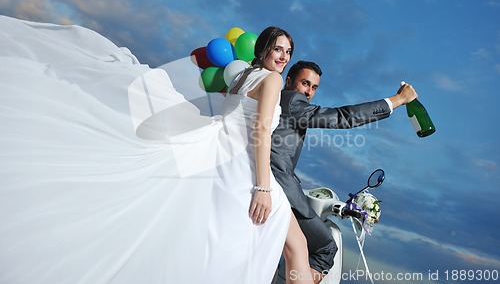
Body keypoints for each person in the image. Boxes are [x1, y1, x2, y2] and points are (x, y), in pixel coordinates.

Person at [0, 16, 311, 284]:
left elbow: (230, 119)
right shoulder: (271, 80)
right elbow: (259, 132)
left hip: (216, 158)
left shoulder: (242, 76)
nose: (283, 57)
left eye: (288, 52)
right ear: (264, 49)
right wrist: (262, 187)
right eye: (278, 48)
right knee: (296, 246)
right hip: (243, 168)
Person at [270, 60, 418, 283]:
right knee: (325, 248)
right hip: (281, 188)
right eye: (304, 83)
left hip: (279, 183)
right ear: (288, 81)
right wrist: (397, 101)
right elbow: (343, 117)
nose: (309, 92)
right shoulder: (292, 101)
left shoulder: (275, 101)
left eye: (314, 87)